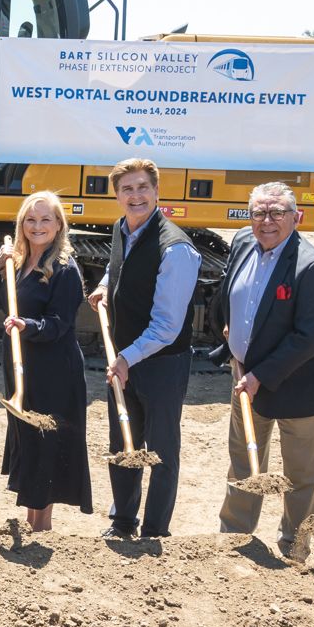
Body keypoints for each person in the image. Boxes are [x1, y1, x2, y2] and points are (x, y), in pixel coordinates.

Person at [210, 182, 314, 556]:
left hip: (300, 386)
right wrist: (229, 332)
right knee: (244, 462)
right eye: (259, 213)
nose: (267, 221)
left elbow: (310, 336)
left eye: (277, 213)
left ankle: (295, 545)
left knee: (300, 475)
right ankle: (235, 537)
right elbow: (227, 293)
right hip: (245, 378)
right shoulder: (242, 242)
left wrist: (260, 375)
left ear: (295, 217)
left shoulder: (313, 267)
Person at [87, 158, 200, 539]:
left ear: (156, 191)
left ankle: (155, 529)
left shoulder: (176, 248)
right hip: (124, 359)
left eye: (142, 188)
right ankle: (122, 522)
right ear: (117, 195)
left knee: (161, 449)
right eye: (127, 189)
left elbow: (167, 327)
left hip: (161, 364)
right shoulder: (124, 228)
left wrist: (126, 358)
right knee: (123, 442)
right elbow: (118, 265)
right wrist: (105, 283)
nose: (135, 196)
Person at [0, 191, 92, 531]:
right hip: (22, 365)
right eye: (30, 220)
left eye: (45, 219)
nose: (37, 226)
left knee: (46, 442)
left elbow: (59, 323)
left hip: (53, 370)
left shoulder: (65, 269)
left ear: (59, 224)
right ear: (21, 224)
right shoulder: (18, 262)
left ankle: (42, 525)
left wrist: (26, 325)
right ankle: (32, 518)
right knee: (30, 440)